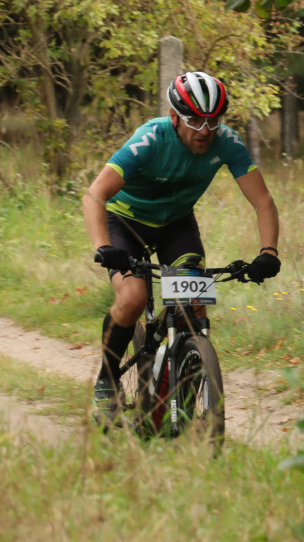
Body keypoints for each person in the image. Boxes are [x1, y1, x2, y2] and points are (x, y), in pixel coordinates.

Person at [83, 70, 281, 424]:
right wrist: (103, 246)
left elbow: (263, 201)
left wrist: (269, 251)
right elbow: (96, 193)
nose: (204, 129)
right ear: (174, 116)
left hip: (176, 225)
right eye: (194, 119)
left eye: (213, 120)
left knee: (195, 309)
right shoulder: (150, 140)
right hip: (126, 223)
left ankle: (182, 402)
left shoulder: (227, 142)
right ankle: (107, 381)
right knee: (132, 298)